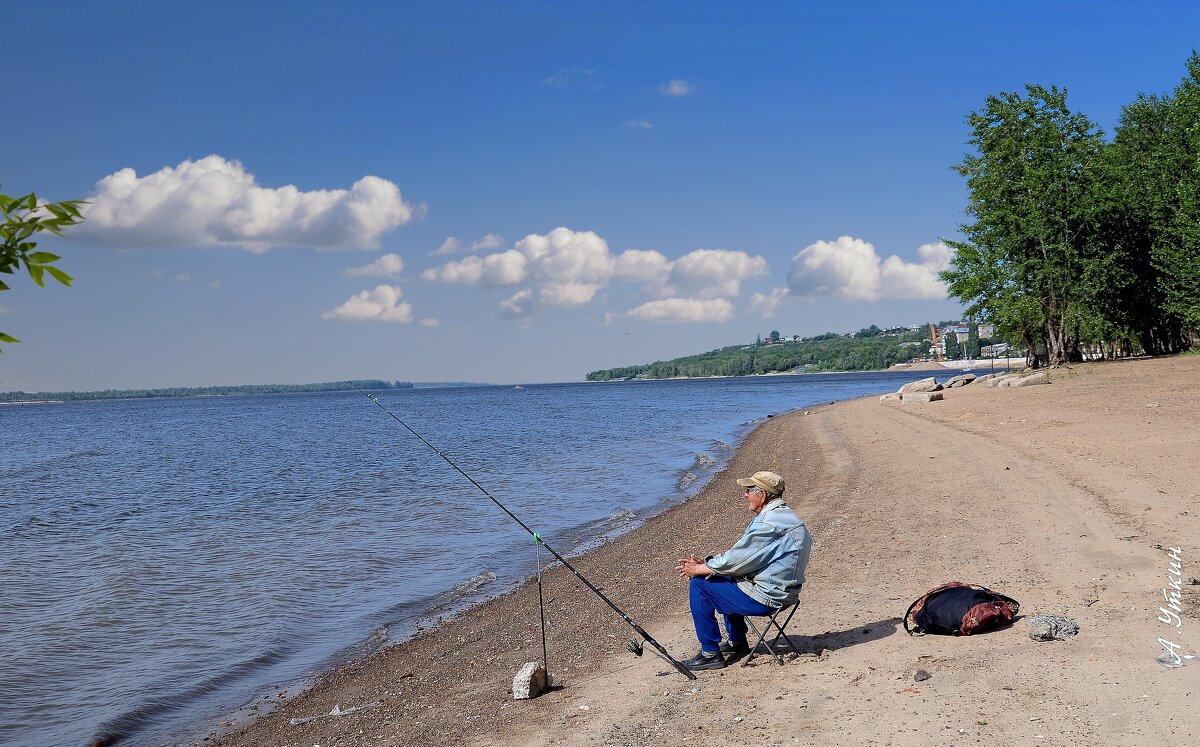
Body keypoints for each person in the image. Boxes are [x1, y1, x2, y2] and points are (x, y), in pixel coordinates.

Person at [674, 470, 812, 670]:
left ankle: (710, 653)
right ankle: (737, 642)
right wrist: (707, 564)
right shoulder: (785, 516)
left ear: (762, 495)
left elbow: (736, 560)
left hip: (770, 597)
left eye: (749, 490)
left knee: (699, 584)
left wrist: (699, 569)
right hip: (786, 591)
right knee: (725, 574)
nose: (744, 495)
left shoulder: (768, 524)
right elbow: (743, 560)